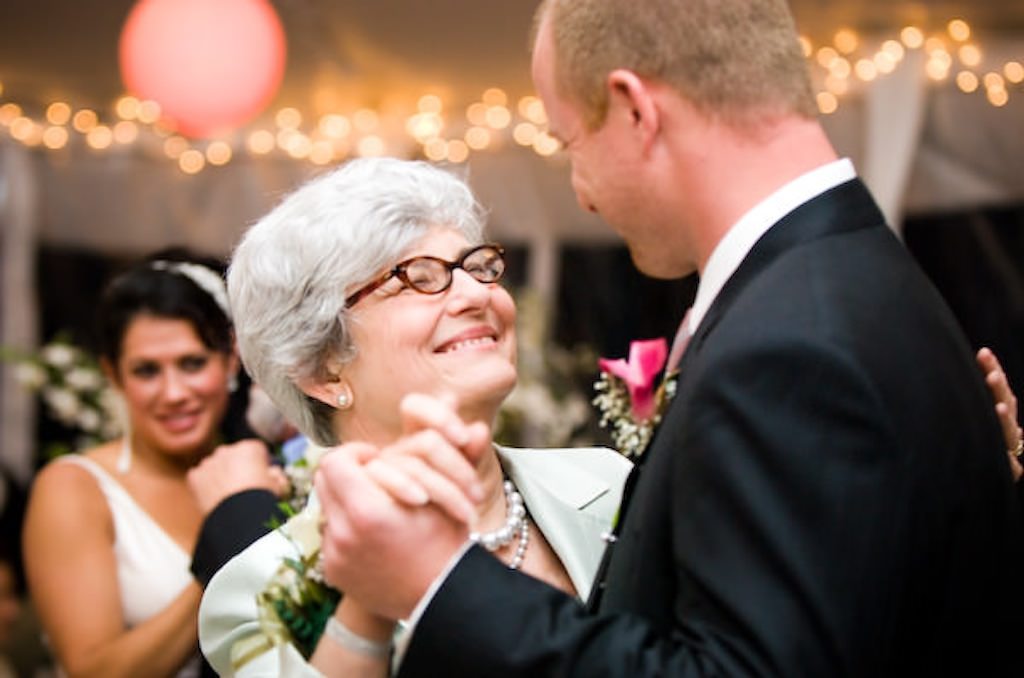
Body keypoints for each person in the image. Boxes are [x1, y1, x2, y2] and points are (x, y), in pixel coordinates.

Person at [311, 0, 1024, 675]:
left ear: (633, 109)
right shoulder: (862, 272)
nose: (582, 191)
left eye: (571, 144)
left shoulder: (787, 348)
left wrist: (439, 579)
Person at [197, 157, 632, 676]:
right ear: (322, 371)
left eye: (477, 267)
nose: (476, 294)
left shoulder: (609, 482)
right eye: (416, 279)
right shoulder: (264, 590)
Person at [22, 251, 284, 677]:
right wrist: (224, 556)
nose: (174, 392)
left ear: (231, 360)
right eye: (146, 371)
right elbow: (93, 672)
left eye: (192, 363)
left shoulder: (260, 472)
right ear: (114, 375)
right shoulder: (74, 487)